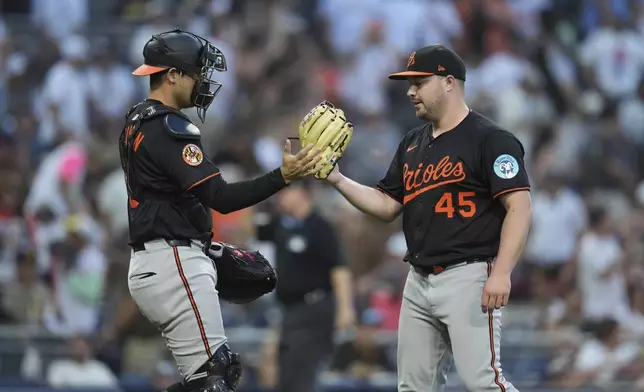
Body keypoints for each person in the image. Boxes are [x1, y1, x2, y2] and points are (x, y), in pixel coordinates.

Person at [119, 28, 322, 392]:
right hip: (172, 261)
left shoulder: (138, 119)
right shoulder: (168, 126)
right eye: (196, 72)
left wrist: (209, 252)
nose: (202, 82)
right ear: (173, 75)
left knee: (208, 378)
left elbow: (171, 201)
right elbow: (221, 197)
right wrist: (284, 176)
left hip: (162, 260)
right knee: (215, 377)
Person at [324, 45, 532, 391]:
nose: (410, 91)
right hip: (418, 279)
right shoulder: (411, 143)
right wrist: (337, 179)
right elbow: (388, 204)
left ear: (449, 82)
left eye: (419, 82)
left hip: (470, 275)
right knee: (412, 387)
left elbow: (519, 206)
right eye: (409, 84)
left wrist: (503, 273)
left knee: (484, 383)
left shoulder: (491, 139)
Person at [255, 180, 355, 392]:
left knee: (301, 373)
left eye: (284, 192)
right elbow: (251, 230)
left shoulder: (320, 226)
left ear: (300, 193)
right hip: (289, 310)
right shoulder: (281, 225)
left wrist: (345, 309)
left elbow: (339, 268)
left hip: (314, 308)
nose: (279, 198)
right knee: (285, 375)